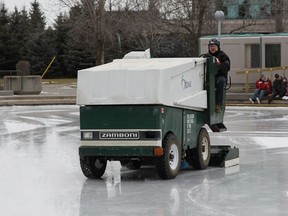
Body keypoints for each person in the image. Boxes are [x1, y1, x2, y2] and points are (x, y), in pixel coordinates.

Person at [207, 38, 231, 113]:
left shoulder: (223, 56)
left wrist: (219, 64)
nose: (212, 48)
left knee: (220, 81)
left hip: (219, 76)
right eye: (211, 46)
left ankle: (218, 104)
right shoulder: (206, 56)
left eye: (214, 46)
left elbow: (226, 68)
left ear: (218, 47)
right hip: (209, 76)